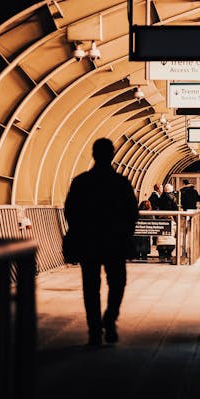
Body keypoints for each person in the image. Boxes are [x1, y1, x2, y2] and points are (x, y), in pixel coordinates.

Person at [64, 137, 139, 346]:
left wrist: (79, 233)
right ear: (112, 155)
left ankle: (95, 331)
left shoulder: (81, 182)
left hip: (88, 242)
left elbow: (70, 211)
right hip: (115, 241)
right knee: (117, 283)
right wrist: (126, 234)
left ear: (94, 154)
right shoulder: (121, 183)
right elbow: (132, 212)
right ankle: (110, 319)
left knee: (91, 286)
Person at [156, 183, 178, 262]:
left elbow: (157, 205)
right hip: (170, 217)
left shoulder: (161, 196)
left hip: (161, 217)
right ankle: (169, 252)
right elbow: (175, 207)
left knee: (162, 234)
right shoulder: (172, 197)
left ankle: (162, 252)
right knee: (170, 233)